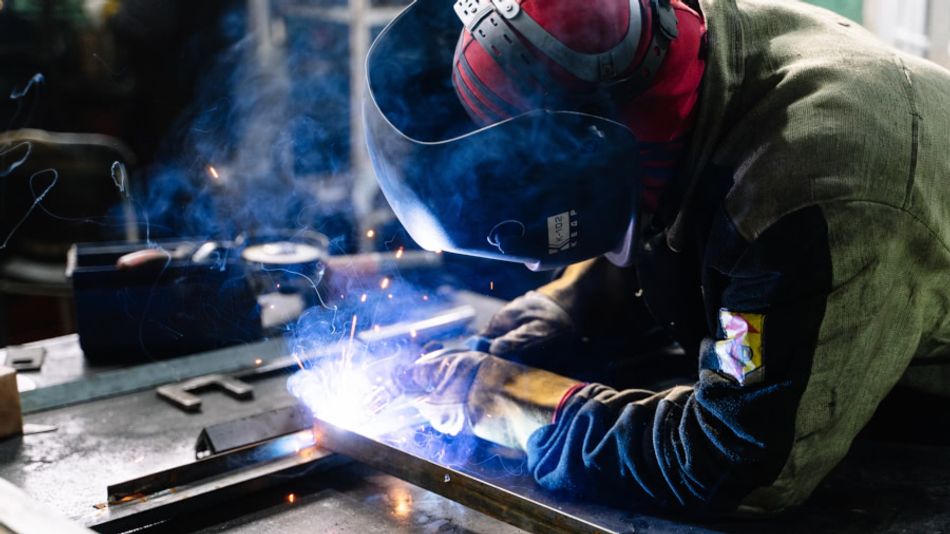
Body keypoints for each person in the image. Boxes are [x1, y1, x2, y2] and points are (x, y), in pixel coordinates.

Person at [363, 0, 950, 516]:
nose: (532, 271)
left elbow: (729, 465)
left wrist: (511, 399)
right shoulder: (681, 45)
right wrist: (572, 307)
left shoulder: (812, 201)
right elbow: (676, 196)